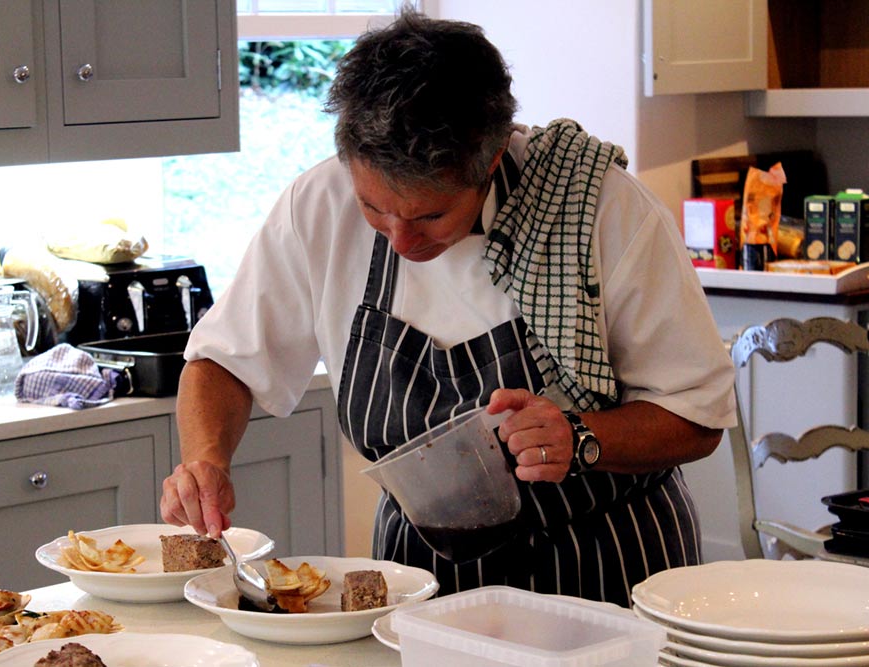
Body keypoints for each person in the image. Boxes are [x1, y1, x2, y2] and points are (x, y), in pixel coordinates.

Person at [160, 8, 735, 607]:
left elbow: (696, 416)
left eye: (430, 215)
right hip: (421, 586)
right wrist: (205, 460)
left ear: (488, 163)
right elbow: (223, 361)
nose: (401, 240)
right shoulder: (318, 204)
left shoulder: (603, 211)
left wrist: (582, 435)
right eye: (374, 208)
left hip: (604, 570)